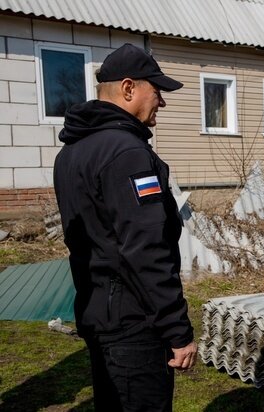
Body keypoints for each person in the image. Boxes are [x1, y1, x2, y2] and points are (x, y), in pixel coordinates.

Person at [54, 43, 197, 411]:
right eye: (157, 91)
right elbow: (146, 249)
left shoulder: (72, 151)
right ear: (129, 88)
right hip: (134, 322)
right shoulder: (127, 152)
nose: (161, 103)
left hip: (98, 311)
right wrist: (177, 330)